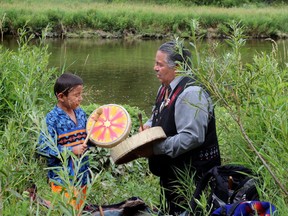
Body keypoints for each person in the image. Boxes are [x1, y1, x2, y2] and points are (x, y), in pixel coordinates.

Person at [139, 41, 221, 215]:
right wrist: (149, 124)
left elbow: (192, 137)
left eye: (159, 65)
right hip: (173, 173)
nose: (155, 68)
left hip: (193, 177)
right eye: (155, 63)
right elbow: (158, 113)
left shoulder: (190, 93)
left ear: (177, 67)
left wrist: (155, 149)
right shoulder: (164, 88)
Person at [37, 73, 91, 211]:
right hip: (63, 178)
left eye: (81, 94)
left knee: (78, 210)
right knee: (67, 210)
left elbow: (87, 138)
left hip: (82, 175)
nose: (80, 98)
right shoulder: (52, 119)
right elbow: (43, 147)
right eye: (76, 95)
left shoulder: (80, 113)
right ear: (61, 96)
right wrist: (71, 150)